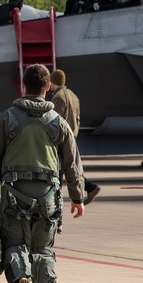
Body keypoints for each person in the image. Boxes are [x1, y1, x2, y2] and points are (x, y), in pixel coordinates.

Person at [0, 64, 86, 283]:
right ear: (47, 87)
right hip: (47, 197)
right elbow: (72, 164)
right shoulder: (59, 123)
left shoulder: (6, 118)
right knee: (43, 250)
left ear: (23, 86)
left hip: (14, 193)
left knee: (14, 245)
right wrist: (77, 198)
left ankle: (22, 279)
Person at [49, 69, 101, 204]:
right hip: (72, 136)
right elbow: (77, 119)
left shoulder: (58, 97)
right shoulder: (73, 95)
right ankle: (90, 187)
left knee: (58, 168)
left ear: (53, 82)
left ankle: (56, 199)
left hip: (62, 138)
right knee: (72, 166)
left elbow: (56, 121)